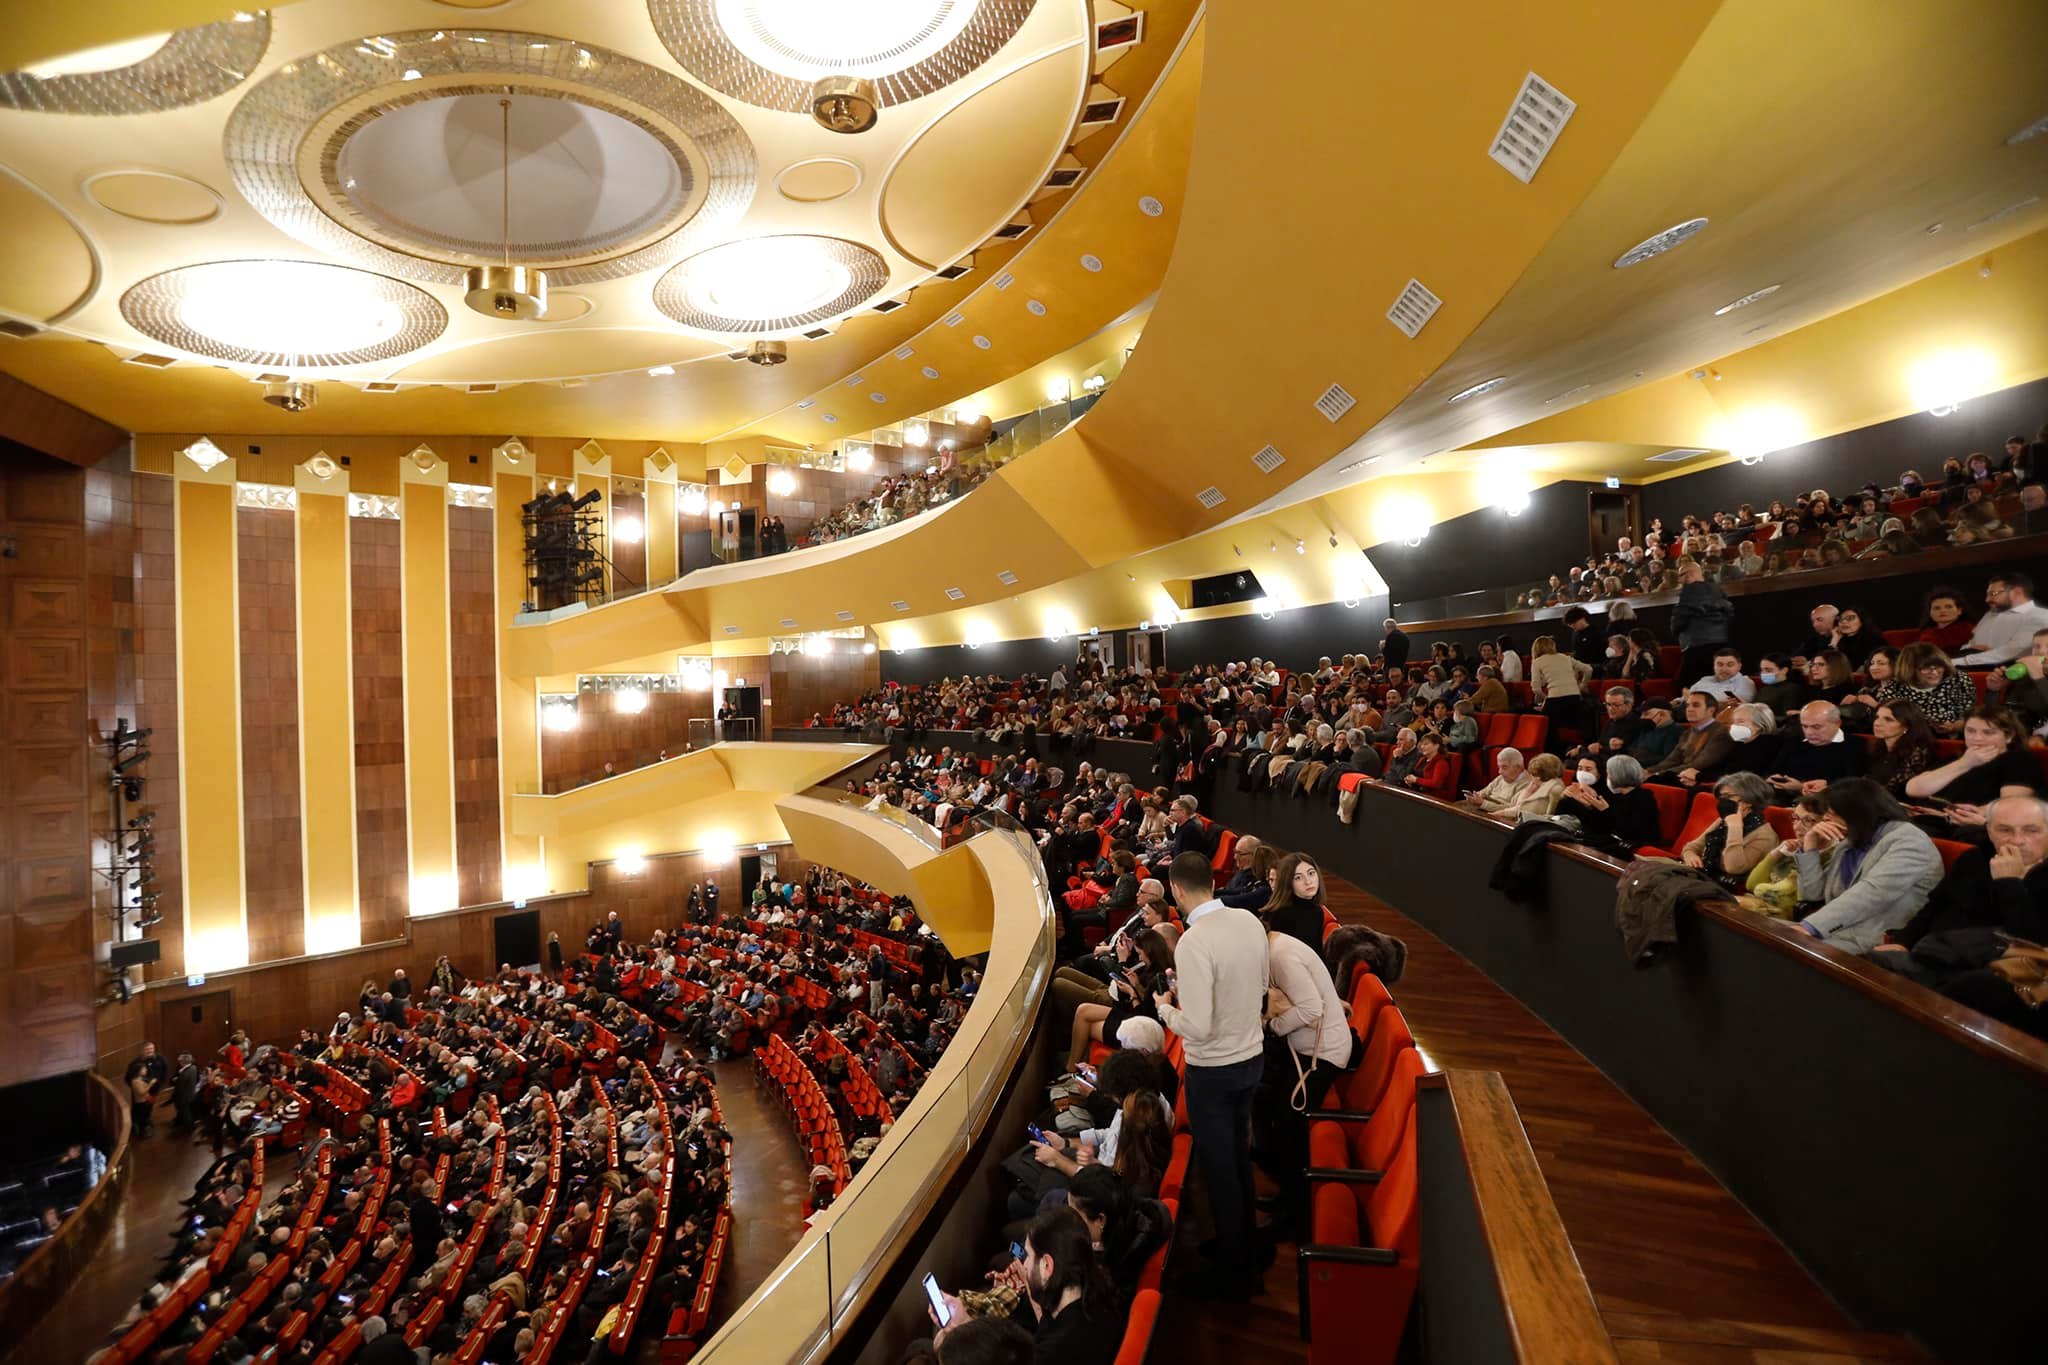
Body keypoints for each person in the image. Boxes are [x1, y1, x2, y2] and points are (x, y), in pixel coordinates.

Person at [1153, 850, 1269, 1295]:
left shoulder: (1193, 942)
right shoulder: (1249, 922)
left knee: (1221, 1170)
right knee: (1238, 1158)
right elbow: (1259, 987)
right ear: (1214, 883)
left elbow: (1198, 1027)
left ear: (1176, 890)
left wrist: (1166, 1010)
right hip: (1251, 1059)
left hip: (1214, 1071)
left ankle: (1235, 1270)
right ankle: (1243, 1246)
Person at [1258, 918, 1354, 1237]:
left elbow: (1311, 1009)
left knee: (1289, 1127)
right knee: (1275, 1111)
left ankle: (1295, 1216)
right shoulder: (1276, 948)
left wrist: (1273, 1027)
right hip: (1309, 1049)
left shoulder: (1281, 956)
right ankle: (1287, 1197)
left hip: (1323, 1052)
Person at [1791, 778, 1944, 953]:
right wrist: (1809, 847)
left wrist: (1810, 927)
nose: (1825, 818)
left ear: (1858, 812)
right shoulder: (1849, 843)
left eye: (1832, 812)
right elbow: (1812, 894)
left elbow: (1871, 893)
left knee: (1782, 950)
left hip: (1874, 939)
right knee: (1768, 936)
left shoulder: (1910, 841)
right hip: (1836, 930)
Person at [1904, 706, 2042, 837]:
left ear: (2008, 736)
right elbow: (1913, 789)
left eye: (1988, 732)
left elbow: (2010, 804)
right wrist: (1965, 763)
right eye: (1970, 731)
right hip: (1924, 819)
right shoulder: (1957, 758)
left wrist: (1947, 816)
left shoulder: (2018, 759)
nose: (1977, 738)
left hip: (1960, 828)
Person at [1681, 772, 1778, 890]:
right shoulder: (1724, 820)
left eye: (1728, 797)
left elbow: (1734, 868)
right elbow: (1691, 847)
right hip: (1703, 875)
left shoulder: (1765, 835)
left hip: (1726, 888)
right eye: (1721, 797)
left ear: (1748, 801)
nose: (1722, 802)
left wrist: (1735, 828)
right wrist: (1690, 856)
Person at [1761, 701, 1869, 799]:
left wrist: (1801, 787)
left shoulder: (1853, 745)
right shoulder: (1794, 741)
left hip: (1826, 802)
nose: (1809, 732)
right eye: (1805, 726)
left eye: (1816, 727)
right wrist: (1774, 778)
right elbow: (1774, 770)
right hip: (1783, 796)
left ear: (1837, 723)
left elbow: (1851, 786)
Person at [1557, 753, 1661, 849]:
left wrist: (1604, 810)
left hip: (1632, 843)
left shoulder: (1643, 797)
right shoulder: (1619, 795)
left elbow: (1629, 830)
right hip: (1612, 839)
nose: (1607, 777)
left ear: (1619, 775)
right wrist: (1590, 806)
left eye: (1609, 774)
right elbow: (1601, 826)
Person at [1955, 573, 2048, 668]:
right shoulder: (1989, 615)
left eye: (1993, 594)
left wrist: (1956, 662)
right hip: (1968, 668)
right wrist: (1967, 649)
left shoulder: (2041, 616)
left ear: (2017, 592)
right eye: (1988, 594)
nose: (1987, 599)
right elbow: (1972, 643)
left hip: (2010, 673)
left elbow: (2011, 652)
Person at [1669, 558, 1736, 685]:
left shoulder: (1689, 591)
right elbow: (1729, 612)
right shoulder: (1717, 590)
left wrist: (1674, 629)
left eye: (1681, 575)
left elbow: (1679, 620)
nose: (1679, 580)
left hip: (1696, 645)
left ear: (1689, 575)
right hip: (1721, 643)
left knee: (1689, 685)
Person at [1892, 643, 1977, 734]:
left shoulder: (1959, 680)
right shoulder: (1895, 686)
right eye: (1926, 668)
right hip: (1907, 736)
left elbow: (1971, 718)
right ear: (1910, 669)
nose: (1935, 672)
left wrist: (1953, 727)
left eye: (1938, 667)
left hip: (1950, 736)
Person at [1866, 700, 1939, 799]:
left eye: (1888, 719)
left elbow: (1894, 790)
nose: (1877, 723)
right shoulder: (1878, 747)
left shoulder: (1918, 753)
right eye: (1877, 717)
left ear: (1907, 726)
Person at [1529, 635, 1593, 746]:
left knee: (1544, 726)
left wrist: (1545, 699)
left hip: (1555, 701)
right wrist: (1582, 685)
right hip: (1575, 699)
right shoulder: (1565, 657)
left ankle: (1553, 751)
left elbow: (1536, 688)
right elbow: (1588, 669)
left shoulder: (1537, 662)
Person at [1260, 852, 1329, 954]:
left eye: (1311, 873)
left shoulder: (1317, 911)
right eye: (1298, 877)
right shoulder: (1278, 914)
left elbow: (1316, 953)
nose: (1308, 882)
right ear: (1288, 882)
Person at [1462, 747, 1533, 814]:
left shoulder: (1528, 784)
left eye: (1504, 767)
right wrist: (1475, 797)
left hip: (1498, 817)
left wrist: (1483, 803)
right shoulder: (1501, 777)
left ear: (1518, 767)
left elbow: (1511, 809)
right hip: (1484, 810)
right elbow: (1484, 792)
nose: (1500, 772)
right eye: (1499, 767)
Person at [1690, 647, 1756, 703]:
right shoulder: (1705, 680)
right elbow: (1687, 696)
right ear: (1714, 666)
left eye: (1730, 665)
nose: (1724, 669)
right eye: (1720, 665)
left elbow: (1739, 706)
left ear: (1739, 666)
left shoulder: (1745, 682)